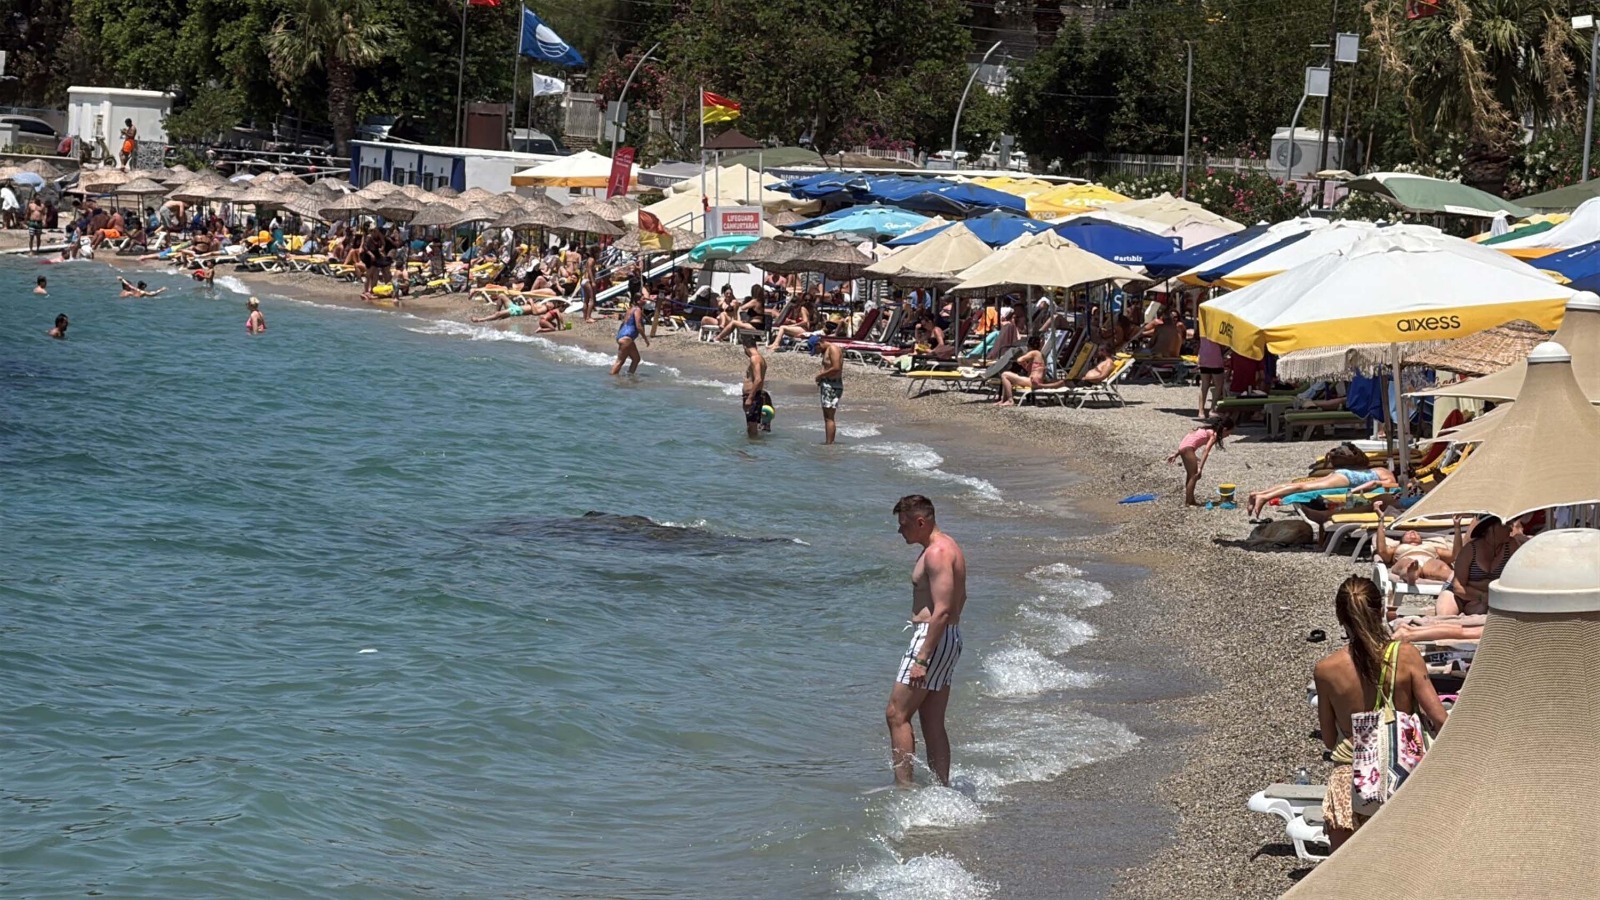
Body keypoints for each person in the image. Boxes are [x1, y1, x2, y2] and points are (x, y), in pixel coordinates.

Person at [1313, 575, 1447, 850]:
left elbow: (1328, 739)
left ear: (1340, 617)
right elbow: (1440, 720)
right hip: (1403, 777)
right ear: (1381, 610)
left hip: (1350, 783)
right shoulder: (1405, 655)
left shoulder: (1326, 669)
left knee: (1346, 878)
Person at [886, 494, 968, 789]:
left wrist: (922, 657)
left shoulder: (936, 553)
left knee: (896, 714)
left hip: (932, 637)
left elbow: (943, 609)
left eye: (904, 524)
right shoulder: (950, 546)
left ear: (921, 522)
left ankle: (904, 788)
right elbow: (962, 600)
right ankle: (941, 788)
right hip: (947, 637)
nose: (900, 531)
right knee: (931, 721)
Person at [1246, 443, 1397, 520]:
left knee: (1301, 485)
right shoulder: (1389, 476)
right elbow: (1376, 484)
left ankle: (1259, 493)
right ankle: (1264, 497)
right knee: (1303, 487)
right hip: (1350, 479)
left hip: (1346, 475)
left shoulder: (1379, 469)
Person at [1439, 515, 1529, 616]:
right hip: (1459, 595)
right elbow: (1458, 587)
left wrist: (1477, 586)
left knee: (1486, 614)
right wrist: (1482, 594)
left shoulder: (1511, 546)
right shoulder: (1470, 550)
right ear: (1491, 528)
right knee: (1444, 616)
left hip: (1487, 598)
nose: (1510, 529)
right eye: (1506, 525)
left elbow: (1517, 579)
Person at [1371, 499, 1457, 586]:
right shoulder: (1396, 548)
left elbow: (1454, 554)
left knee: (1442, 567)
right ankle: (1410, 574)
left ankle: (1454, 580)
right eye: (1407, 533)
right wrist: (1381, 520)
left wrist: (1457, 528)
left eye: (1416, 533)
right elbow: (1382, 551)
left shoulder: (1433, 547)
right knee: (1407, 564)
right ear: (1402, 540)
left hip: (1429, 560)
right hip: (1407, 557)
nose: (1412, 532)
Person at [1168, 416, 1235, 507]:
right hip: (1188, 449)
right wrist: (1200, 467)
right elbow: (1206, 451)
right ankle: (1189, 502)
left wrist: (1176, 454)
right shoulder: (1213, 434)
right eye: (1229, 433)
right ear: (1225, 429)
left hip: (1184, 448)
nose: (1228, 435)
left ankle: (1191, 500)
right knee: (1194, 475)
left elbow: (1188, 440)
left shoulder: (1205, 430)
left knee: (1192, 475)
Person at [811, 324, 845, 444]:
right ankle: (828, 442)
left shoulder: (833, 349)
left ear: (819, 344)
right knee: (827, 417)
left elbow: (836, 368)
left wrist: (821, 375)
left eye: (816, 350)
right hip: (828, 385)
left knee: (829, 417)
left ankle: (829, 444)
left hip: (832, 385)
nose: (818, 353)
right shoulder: (827, 351)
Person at [611, 295, 649, 376]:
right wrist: (645, 339)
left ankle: (630, 376)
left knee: (636, 359)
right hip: (626, 338)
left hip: (624, 337)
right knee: (620, 361)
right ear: (638, 301)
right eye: (643, 299)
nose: (645, 300)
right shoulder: (637, 310)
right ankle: (612, 378)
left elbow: (623, 323)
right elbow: (638, 325)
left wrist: (619, 336)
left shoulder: (630, 309)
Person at [741, 338, 771, 438]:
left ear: (745, 347)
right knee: (753, 427)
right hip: (755, 396)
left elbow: (758, 379)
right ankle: (754, 450)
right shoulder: (760, 359)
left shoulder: (755, 359)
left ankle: (751, 451)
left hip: (753, 397)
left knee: (752, 429)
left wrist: (750, 397)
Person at [1196, 336, 1227, 418]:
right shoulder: (1216, 330)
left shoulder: (1203, 329)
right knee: (1218, 386)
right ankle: (1212, 409)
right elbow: (1222, 344)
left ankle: (1201, 411)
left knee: (1204, 385)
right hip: (1215, 358)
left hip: (1203, 357)